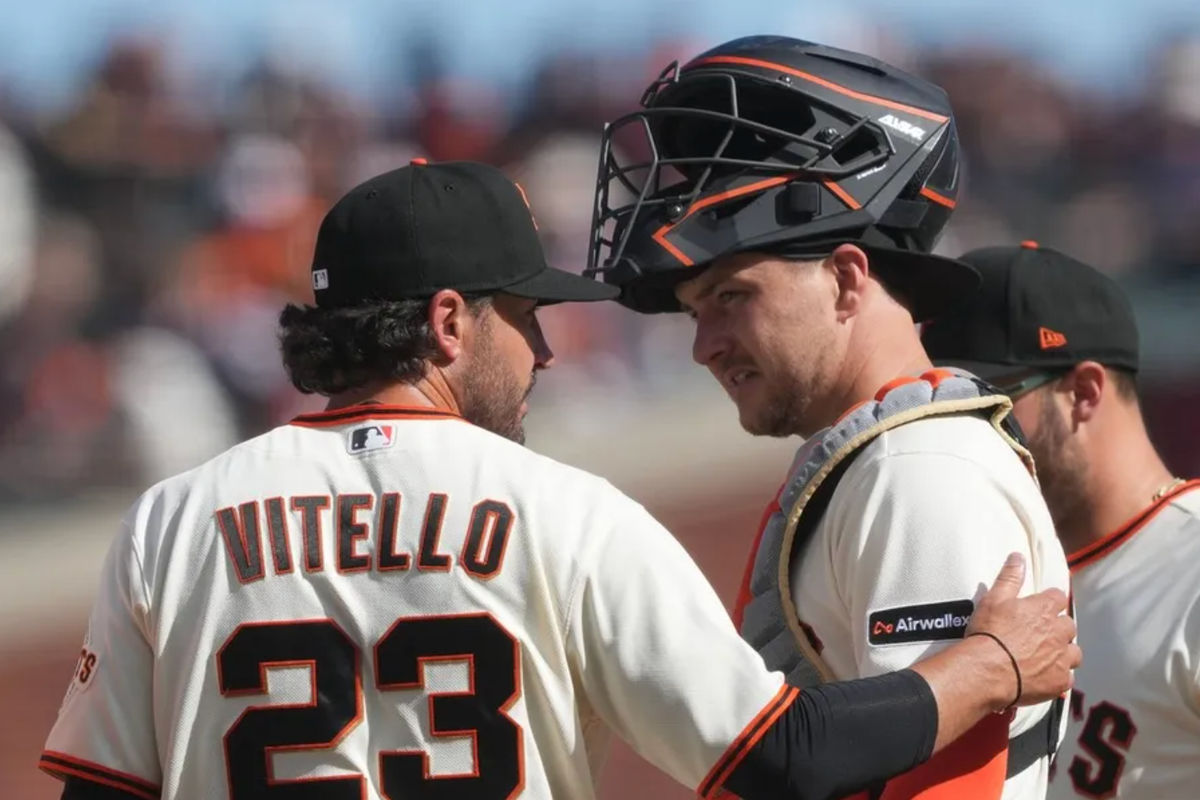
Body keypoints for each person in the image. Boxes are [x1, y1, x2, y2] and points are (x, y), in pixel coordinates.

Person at [38, 161, 1077, 800]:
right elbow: (789, 757)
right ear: (449, 322)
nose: (545, 351)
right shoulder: (567, 512)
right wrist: (985, 662)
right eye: (525, 317)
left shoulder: (172, 522)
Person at [587, 35, 1073, 799]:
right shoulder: (882, 460)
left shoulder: (921, 473)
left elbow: (943, 782)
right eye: (692, 316)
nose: (705, 348)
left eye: (730, 297)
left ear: (847, 279)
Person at [922, 241, 1200, 799]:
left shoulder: (1190, 567)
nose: (960, 435)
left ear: (1084, 392)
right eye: (943, 411)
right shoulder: (989, 587)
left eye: (990, 405)